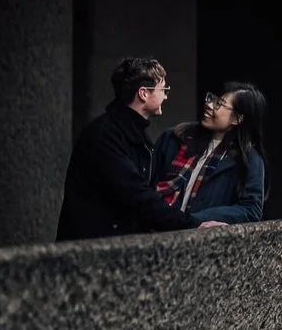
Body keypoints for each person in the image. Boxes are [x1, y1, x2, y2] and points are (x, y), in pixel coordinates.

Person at [57, 57, 222, 239]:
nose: (166, 96)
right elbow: (137, 195)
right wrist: (191, 224)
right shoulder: (104, 135)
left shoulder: (132, 133)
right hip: (90, 249)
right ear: (143, 94)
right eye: (163, 89)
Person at [152, 83, 269, 225]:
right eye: (212, 99)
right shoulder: (175, 138)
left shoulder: (247, 159)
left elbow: (251, 209)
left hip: (197, 238)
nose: (209, 105)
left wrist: (199, 219)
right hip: (156, 228)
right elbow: (146, 184)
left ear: (237, 119)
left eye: (219, 104)